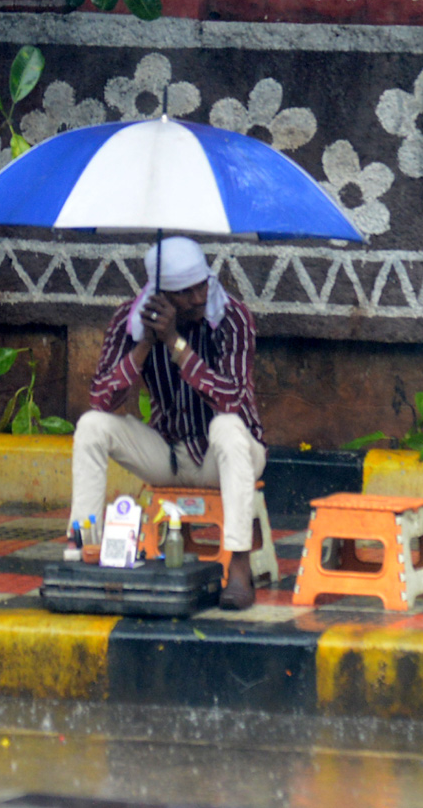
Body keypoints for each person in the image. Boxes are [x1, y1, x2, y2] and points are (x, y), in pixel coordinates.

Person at [70, 237, 267, 610]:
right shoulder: (128, 322)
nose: (197, 298)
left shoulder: (233, 317)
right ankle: (85, 546)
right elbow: (101, 398)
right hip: (168, 455)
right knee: (92, 425)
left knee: (226, 426)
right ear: (160, 296)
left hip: (226, 456)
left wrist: (177, 344)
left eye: (201, 285)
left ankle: (239, 562)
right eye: (184, 292)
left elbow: (232, 399)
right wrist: (144, 345)